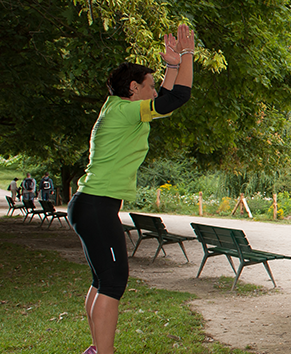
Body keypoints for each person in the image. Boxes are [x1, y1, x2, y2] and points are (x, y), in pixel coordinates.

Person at [68, 24, 195, 354]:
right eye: (150, 86)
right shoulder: (126, 111)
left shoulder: (119, 109)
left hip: (91, 204)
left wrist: (170, 67)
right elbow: (178, 97)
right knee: (113, 281)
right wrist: (187, 55)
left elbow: (164, 99)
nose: (154, 92)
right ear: (134, 87)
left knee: (101, 281)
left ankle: (97, 349)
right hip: (96, 205)